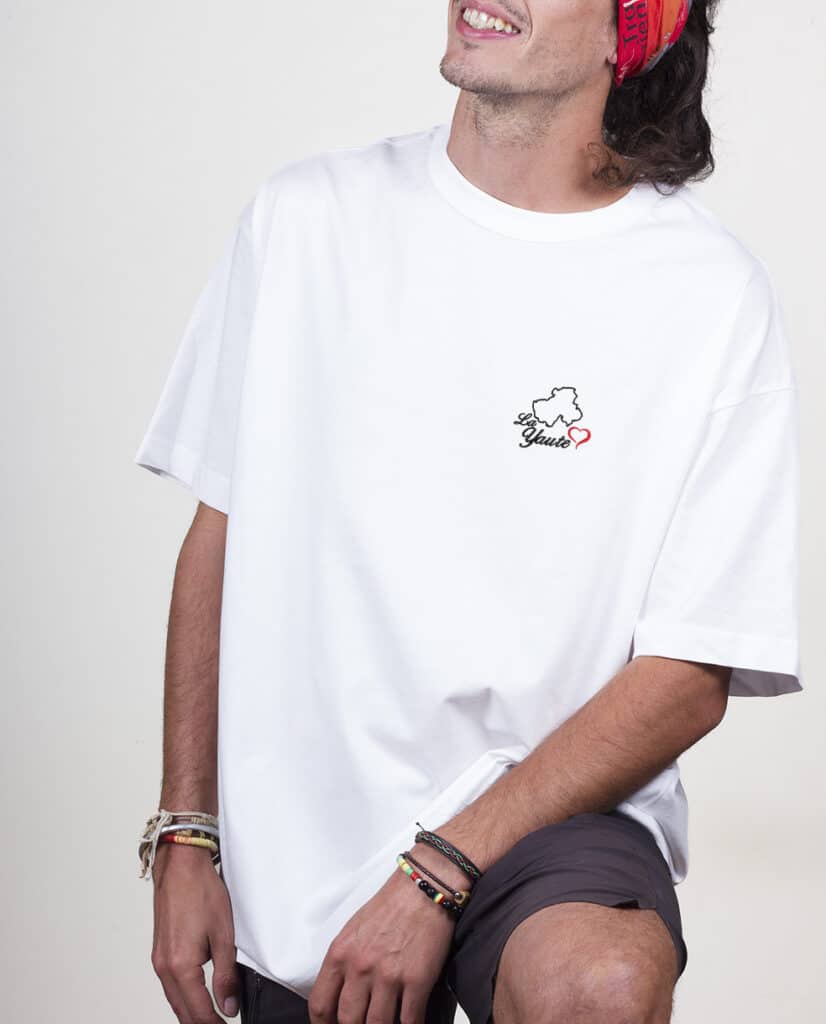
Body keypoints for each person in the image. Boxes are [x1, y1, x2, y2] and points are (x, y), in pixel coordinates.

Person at [133, 2, 803, 1022]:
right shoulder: (306, 220)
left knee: (601, 985)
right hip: (307, 841)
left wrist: (443, 862)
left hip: (553, 810)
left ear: (632, 29)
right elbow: (221, 533)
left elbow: (688, 673)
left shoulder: (708, 294)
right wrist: (186, 831)